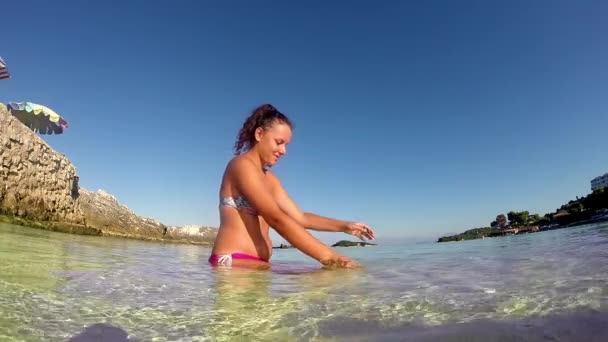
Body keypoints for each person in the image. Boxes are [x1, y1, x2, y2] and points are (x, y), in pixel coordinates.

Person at [208, 104, 375, 269]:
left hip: (257, 266)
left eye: (286, 145)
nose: (284, 151)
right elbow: (275, 218)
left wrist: (344, 226)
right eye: (279, 142)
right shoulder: (241, 165)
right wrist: (330, 257)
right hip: (232, 262)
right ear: (259, 134)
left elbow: (300, 218)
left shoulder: (271, 179)